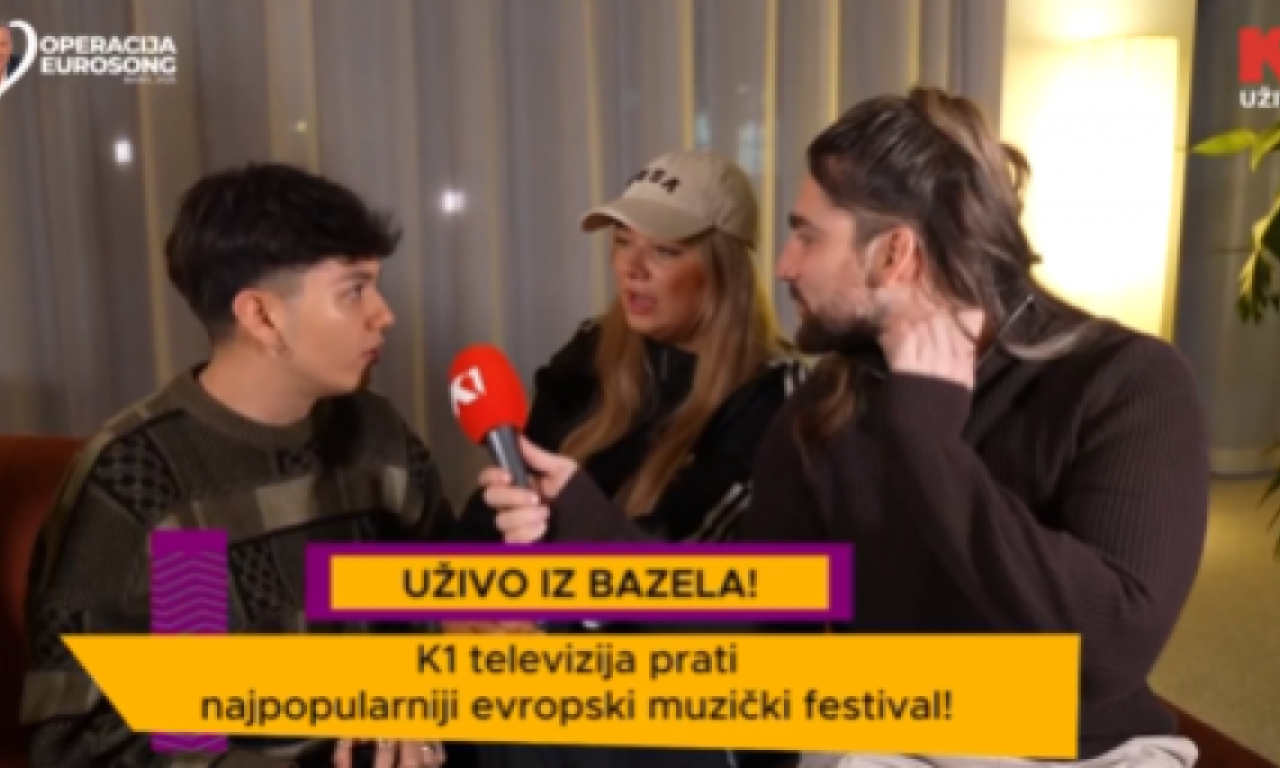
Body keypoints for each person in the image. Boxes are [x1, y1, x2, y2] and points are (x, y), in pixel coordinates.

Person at [478, 87, 1210, 768]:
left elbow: (1107, 654)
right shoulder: (826, 407)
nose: (784, 266)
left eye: (807, 237)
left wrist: (927, 443)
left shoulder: (1127, 382)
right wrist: (587, 526)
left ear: (894, 254)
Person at [20, 163, 452, 768]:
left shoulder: (378, 437)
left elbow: (441, 614)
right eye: (354, 291)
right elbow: (80, 738)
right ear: (261, 317)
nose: (384, 314)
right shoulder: (154, 480)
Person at [450, 149, 807, 768]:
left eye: (664, 251)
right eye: (622, 243)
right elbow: (492, 521)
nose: (632, 269)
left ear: (722, 267)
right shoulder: (588, 354)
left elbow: (692, 571)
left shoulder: (775, 395)